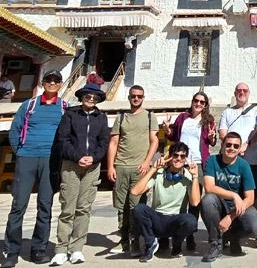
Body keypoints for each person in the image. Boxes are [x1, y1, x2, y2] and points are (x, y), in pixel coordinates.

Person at [1, 70, 66, 268]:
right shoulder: (28, 105)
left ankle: (39, 249)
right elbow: (15, 129)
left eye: (56, 81)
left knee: (45, 206)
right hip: (27, 158)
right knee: (18, 205)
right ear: (42, 83)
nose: (52, 83)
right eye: (49, 80)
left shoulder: (64, 107)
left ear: (61, 84)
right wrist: (19, 151)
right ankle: (11, 251)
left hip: (50, 160)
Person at [50, 83, 110, 266]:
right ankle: (61, 249)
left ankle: (76, 248)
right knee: (68, 207)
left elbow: (103, 142)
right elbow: (63, 139)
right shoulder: (70, 114)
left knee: (84, 208)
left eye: (94, 97)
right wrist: (78, 158)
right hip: (71, 165)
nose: (91, 99)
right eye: (88, 96)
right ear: (82, 96)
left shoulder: (102, 118)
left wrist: (94, 158)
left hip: (92, 167)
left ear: (98, 99)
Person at [106, 85, 159, 255]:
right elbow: (113, 143)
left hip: (140, 168)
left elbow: (154, 141)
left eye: (139, 96)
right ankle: (123, 241)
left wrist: (147, 162)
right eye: (133, 96)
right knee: (122, 207)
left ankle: (136, 241)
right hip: (121, 166)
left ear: (143, 98)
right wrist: (110, 166)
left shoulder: (150, 117)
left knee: (136, 207)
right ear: (129, 97)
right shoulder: (121, 117)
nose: (136, 99)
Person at [163, 91, 217, 251]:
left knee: (195, 201)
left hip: (198, 164)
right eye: (196, 101)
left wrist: (213, 137)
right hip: (180, 162)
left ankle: (190, 234)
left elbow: (211, 142)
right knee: (179, 198)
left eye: (202, 102)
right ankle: (175, 232)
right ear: (192, 101)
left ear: (205, 105)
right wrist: (167, 130)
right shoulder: (182, 117)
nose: (199, 104)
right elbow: (173, 136)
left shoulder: (208, 120)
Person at [130, 142, 201, 262]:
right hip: (157, 218)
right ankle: (150, 243)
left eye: (182, 156)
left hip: (175, 220)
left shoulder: (189, 177)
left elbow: (195, 202)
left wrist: (195, 177)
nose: (178, 158)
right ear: (170, 157)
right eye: (175, 155)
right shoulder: (159, 173)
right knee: (139, 209)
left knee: (191, 221)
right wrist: (153, 169)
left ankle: (177, 244)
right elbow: (135, 191)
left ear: (186, 159)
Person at [200, 132, 257, 262]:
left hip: (238, 208)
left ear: (240, 148)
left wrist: (230, 217)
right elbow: (209, 187)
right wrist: (233, 195)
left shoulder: (244, 165)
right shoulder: (212, 161)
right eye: (228, 144)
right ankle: (215, 244)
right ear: (223, 145)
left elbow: (250, 198)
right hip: (219, 204)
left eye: (236, 146)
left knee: (256, 228)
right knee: (207, 201)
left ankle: (233, 237)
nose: (232, 148)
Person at [218, 82, 257, 220]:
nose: (242, 92)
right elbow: (222, 132)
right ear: (235, 93)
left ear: (249, 93)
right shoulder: (227, 112)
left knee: (256, 196)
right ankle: (229, 230)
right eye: (239, 90)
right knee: (229, 195)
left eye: (245, 90)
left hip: (252, 161)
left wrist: (247, 144)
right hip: (231, 162)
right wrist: (234, 148)